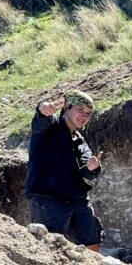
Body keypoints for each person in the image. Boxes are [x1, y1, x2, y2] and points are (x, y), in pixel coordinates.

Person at [25, 90, 104, 251]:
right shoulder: (50, 126)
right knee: (49, 246)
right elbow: (41, 116)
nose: (84, 116)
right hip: (47, 198)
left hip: (76, 199)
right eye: (80, 109)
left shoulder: (80, 142)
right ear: (67, 108)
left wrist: (93, 168)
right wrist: (42, 107)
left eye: (88, 113)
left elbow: (88, 173)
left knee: (92, 238)